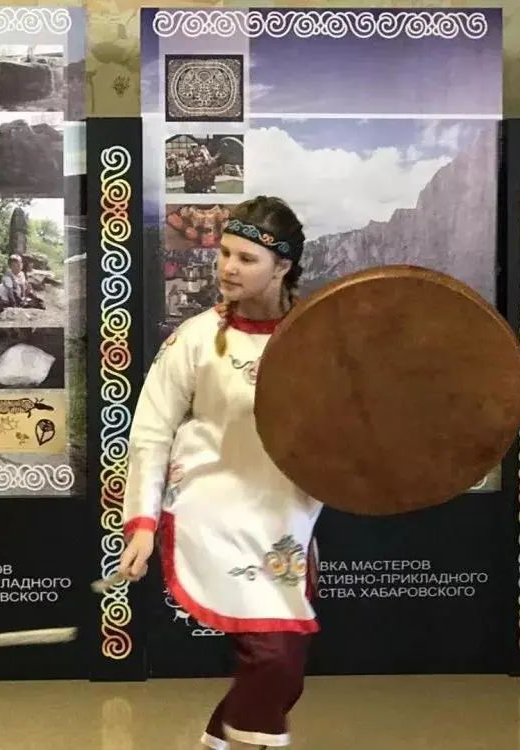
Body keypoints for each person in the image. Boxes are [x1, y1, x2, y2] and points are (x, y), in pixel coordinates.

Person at [119, 196, 321, 750]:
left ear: (282, 267)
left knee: (283, 671)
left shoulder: (318, 338)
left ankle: (216, 742)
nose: (228, 267)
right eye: (225, 253)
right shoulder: (196, 339)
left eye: (246, 259)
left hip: (286, 518)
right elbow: (151, 432)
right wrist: (141, 523)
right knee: (273, 656)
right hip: (211, 510)